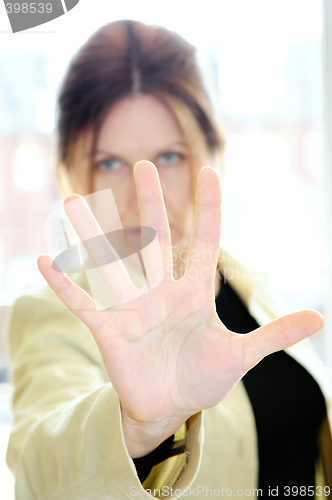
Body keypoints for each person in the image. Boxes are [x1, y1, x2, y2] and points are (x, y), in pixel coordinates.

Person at [5, 19, 332, 500]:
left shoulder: (240, 277)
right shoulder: (56, 312)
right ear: (69, 174)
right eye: (109, 163)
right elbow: (44, 469)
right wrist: (138, 428)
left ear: (211, 153)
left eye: (170, 157)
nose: (144, 191)